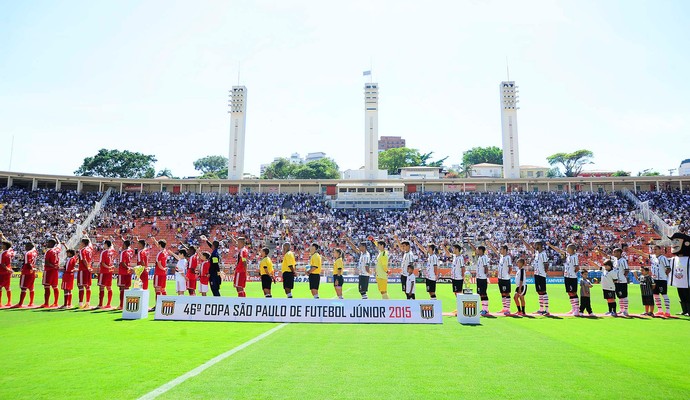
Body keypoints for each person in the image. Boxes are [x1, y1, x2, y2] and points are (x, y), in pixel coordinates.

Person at [548, 242, 580, 316]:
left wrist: (572, 273)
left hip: (572, 277)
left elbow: (577, 267)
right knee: (569, 292)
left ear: (572, 249)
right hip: (567, 276)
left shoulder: (574, 257)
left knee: (573, 292)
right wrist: (550, 245)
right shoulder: (568, 255)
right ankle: (573, 308)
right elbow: (559, 250)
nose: (566, 249)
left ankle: (576, 309)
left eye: (568, 248)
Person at [524, 240, 550, 316]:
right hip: (537, 274)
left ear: (539, 245)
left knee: (543, 291)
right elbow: (529, 247)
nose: (535, 246)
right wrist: (522, 240)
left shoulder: (543, 254)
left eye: (536, 245)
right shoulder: (537, 253)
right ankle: (541, 309)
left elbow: (546, 264)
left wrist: (544, 272)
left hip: (541, 274)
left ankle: (547, 310)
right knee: (539, 292)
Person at [668, 232, 690, 316]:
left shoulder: (688, 258)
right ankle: (684, 310)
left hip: (688, 281)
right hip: (679, 280)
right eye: (673, 242)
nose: (673, 244)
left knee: (688, 295)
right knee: (681, 294)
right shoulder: (675, 259)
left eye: (676, 241)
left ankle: (689, 311)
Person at [14, 241, 38, 308]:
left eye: (26, 246)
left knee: (23, 288)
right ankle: (31, 303)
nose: (25, 248)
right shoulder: (35, 252)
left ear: (29, 246)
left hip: (26, 271)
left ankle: (20, 304)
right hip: (32, 273)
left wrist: (32, 268)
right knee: (31, 287)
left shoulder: (28, 253)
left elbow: (28, 263)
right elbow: (34, 247)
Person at [470, 244, 490, 316]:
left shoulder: (484, 257)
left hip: (482, 278)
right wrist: (470, 243)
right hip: (479, 278)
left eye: (478, 250)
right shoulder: (480, 257)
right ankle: (484, 309)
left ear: (481, 250)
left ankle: (486, 310)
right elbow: (474, 249)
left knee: (484, 293)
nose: (477, 251)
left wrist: (485, 274)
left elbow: (486, 267)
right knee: (480, 293)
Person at [96, 240, 117, 309]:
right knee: (109, 288)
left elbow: (102, 263)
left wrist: (108, 267)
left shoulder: (104, 252)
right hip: (110, 272)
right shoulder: (112, 252)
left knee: (101, 287)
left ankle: (100, 304)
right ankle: (108, 304)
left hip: (104, 271)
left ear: (105, 244)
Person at [41, 237, 61, 308]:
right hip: (55, 271)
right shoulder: (57, 250)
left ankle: (46, 303)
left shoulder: (49, 252)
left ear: (51, 243)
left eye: (48, 243)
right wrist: (56, 237)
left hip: (49, 270)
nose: (47, 244)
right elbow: (59, 244)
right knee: (55, 287)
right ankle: (56, 302)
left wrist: (52, 266)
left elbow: (47, 262)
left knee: (47, 287)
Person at [494, 244, 513, 315]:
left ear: (505, 250)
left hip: (505, 278)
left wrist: (507, 274)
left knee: (506, 293)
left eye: (501, 249)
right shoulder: (501, 257)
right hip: (500, 278)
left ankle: (508, 309)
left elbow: (510, 267)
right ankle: (504, 308)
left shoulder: (508, 257)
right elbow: (495, 251)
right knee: (502, 293)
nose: (500, 250)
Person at [151, 237, 170, 308]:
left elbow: (159, 264)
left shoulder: (160, 254)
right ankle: (166, 303)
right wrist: (155, 241)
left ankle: (157, 305)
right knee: (163, 289)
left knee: (157, 289)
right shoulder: (165, 252)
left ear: (160, 245)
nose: (157, 245)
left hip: (158, 273)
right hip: (163, 274)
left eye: (158, 244)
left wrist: (163, 268)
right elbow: (159, 247)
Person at [117, 239, 135, 310]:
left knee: (121, 288)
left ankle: (121, 305)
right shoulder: (130, 251)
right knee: (127, 288)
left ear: (124, 245)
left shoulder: (123, 252)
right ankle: (126, 304)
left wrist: (127, 267)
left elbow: (122, 263)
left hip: (123, 272)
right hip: (128, 272)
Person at [77, 235, 94, 309]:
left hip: (83, 270)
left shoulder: (82, 250)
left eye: (81, 243)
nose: (80, 244)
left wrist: (87, 267)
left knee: (80, 286)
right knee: (88, 286)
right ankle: (88, 303)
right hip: (88, 270)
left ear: (83, 243)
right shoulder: (89, 249)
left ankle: (81, 304)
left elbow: (84, 260)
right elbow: (90, 243)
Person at [612, 248, 630, 317]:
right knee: (619, 296)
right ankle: (621, 309)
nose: (613, 253)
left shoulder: (623, 260)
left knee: (624, 296)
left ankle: (626, 310)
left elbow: (626, 270)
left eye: (615, 252)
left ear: (619, 252)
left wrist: (623, 277)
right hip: (616, 281)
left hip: (622, 281)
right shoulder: (615, 260)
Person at [0, 233, 15, 307]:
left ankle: (0, 303)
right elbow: (9, 244)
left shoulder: (3, 254)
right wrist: (2, 237)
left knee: (0, 287)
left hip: (2, 271)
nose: (1, 245)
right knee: (7, 287)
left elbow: (2, 264)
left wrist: (8, 269)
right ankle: (9, 302)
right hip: (7, 271)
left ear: (5, 246)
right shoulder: (10, 251)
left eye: (2, 245)